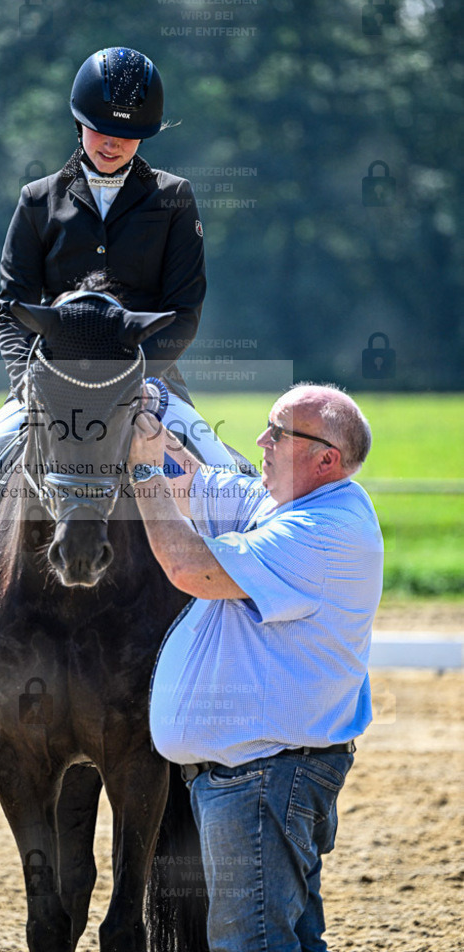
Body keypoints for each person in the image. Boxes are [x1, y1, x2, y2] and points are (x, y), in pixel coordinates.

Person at [0, 46, 243, 758]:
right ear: (79, 123)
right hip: (48, 390)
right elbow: (10, 310)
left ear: (145, 135)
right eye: (100, 128)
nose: (111, 142)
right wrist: (29, 383)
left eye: (127, 133)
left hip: (146, 387)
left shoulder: (173, 199)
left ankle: (236, 685)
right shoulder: (37, 201)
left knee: (236, 493)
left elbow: (182, 312)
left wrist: (134, 380)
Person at [128, 383, 384, 952]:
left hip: (264, 777)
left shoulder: (320, 533)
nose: (261, 440)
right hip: (264, 775)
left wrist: (143, 475)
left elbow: (190, 568)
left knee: (253, 943)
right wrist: (147, 425)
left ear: (326, 460)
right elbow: (194, 483)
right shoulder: (288, 502)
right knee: (286, 938)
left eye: (280, 433)